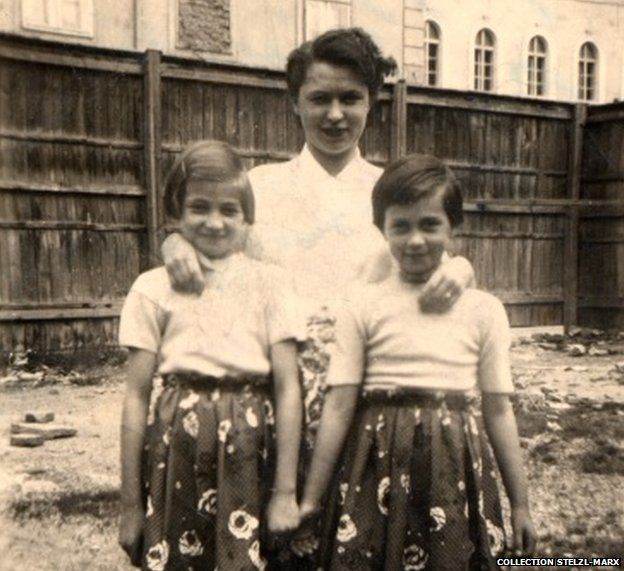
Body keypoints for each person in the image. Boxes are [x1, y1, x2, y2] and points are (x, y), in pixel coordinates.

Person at [161, 28, 476, 455]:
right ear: (295, 102)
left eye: (350, 98)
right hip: (272, 391)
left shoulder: (391, 191)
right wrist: (176, 246)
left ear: (371, 102)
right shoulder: (259, 187)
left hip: (364, 392)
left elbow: (433, 257)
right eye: (318, 99)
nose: (334, 115)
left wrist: (461, 269)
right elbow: (208, 244)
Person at [293, 154, 537, 569]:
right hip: (373, 465)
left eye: (430, 225)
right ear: (382, 228)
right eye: (400, 226)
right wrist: (312, 502)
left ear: (453, 227)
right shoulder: (363, 307)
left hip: (452, 467)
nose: (415, 240)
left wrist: (521, 505)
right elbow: (338, 405)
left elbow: (498, 411)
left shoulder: (484, 310)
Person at [118, 141, 304, 570]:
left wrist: (284, 493)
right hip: (177, 448)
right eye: (199, 208)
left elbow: (288, 388)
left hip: (250, 447)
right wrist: (131, 505)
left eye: (229, 210)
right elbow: (135, 398)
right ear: (177, 216)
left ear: (248, 219)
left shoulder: (272, 285)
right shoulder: (153, 288)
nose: (215, 222)